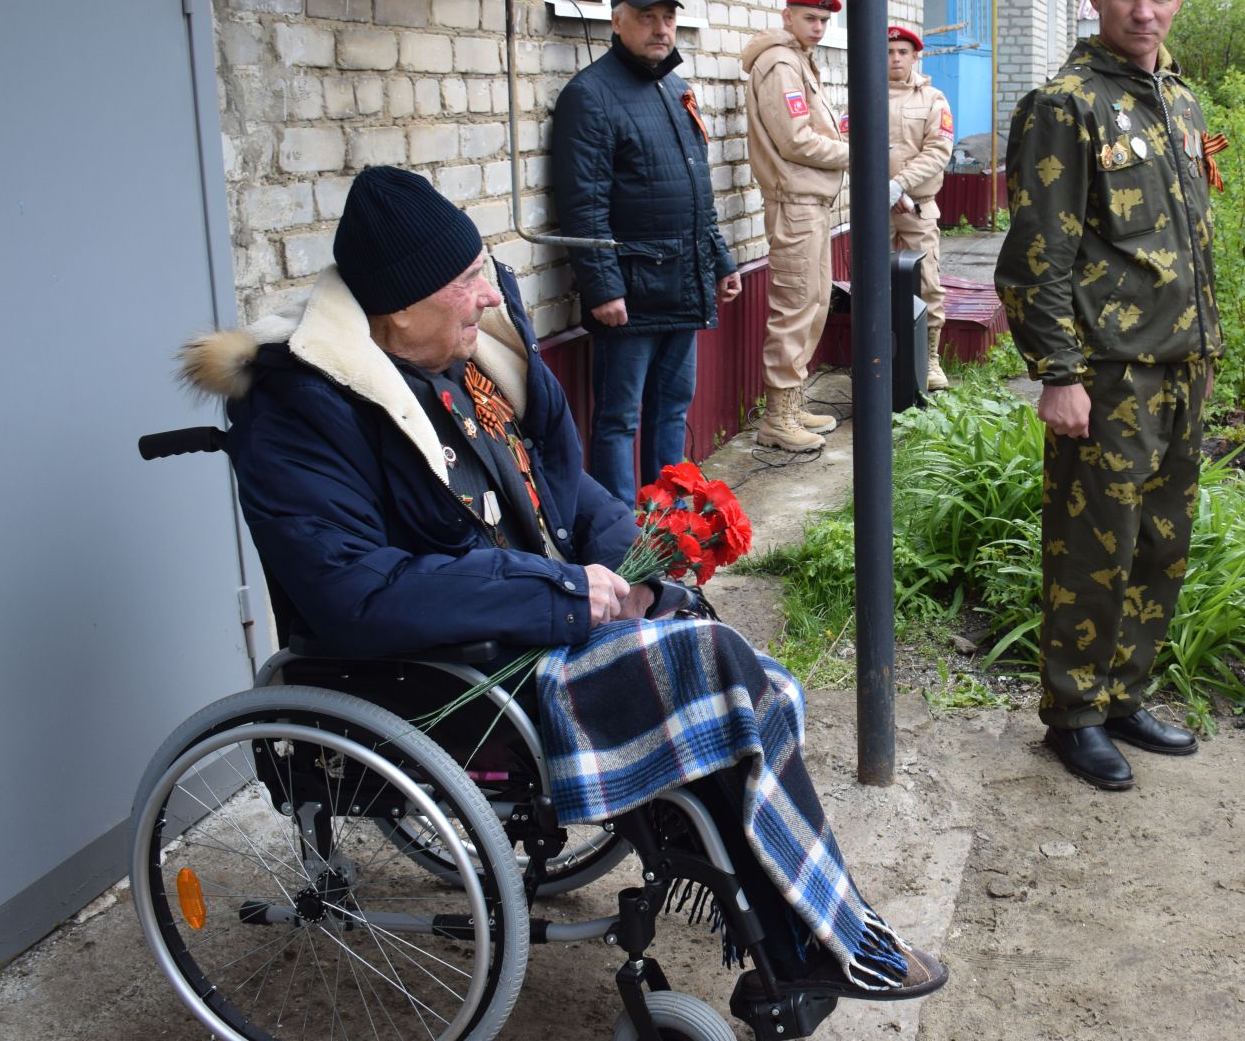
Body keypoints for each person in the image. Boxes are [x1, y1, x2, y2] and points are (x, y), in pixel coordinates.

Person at [178, 165, 946, 1003]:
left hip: (535, 623)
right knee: (716, 673)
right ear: (396, 311)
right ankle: (808, 938)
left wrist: (637, 568)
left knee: (705, 644)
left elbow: (565, 487)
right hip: (459, 666)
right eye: (465, 281)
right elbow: (355, 594)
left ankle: (790, 918)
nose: (487, 295)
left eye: (480, 271)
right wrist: (560, 594)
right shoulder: (305, 409)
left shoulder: (475, 358)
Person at [995, 0, 1222, 791]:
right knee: (1093, 549)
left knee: (1161, 543)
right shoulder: (1066, 104)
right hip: (1108, 374)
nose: (1145, 10)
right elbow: (1035, 256)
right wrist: (1058, 372)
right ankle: (1073, 713)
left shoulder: (1180, 99)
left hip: (1182, 367)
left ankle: (1126, 690)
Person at [549, 0, 741, 505]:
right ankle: (619, 533)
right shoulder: (590, 95)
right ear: (617, 21)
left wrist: (721, 260)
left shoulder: (675, 88)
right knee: (619, 417)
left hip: (683, 283)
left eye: (668, 17)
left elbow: (697, 189)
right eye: (646, 17)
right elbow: (582, 204)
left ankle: (671, 522)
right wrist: (603, 287)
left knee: (673, 406)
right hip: (629, 293)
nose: (660, 28)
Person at [742, 0, 851, 452]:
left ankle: (793, 401)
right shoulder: (781, 63)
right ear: (787, 16)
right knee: (795, 306)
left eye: (825, 20)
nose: (820, 27)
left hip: (811, 203)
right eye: (811, 18)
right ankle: (778, 419)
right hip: (795, 204)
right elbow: (795, 140)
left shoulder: (800, 60)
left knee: (813, 303)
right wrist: (852, 152)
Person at [872, 25, 955, 390]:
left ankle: (931, 360)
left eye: (902, 52)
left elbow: (938, 149)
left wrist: (899, 185)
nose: (895, 58)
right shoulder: (866, 94)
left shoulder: (933, 98)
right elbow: (849, 143)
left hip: (917, 206)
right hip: (874, 208)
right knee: (874, 282)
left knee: (928, 282)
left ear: (914, 56)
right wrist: (882, 190)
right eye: (889, 52)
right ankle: (876, 356)